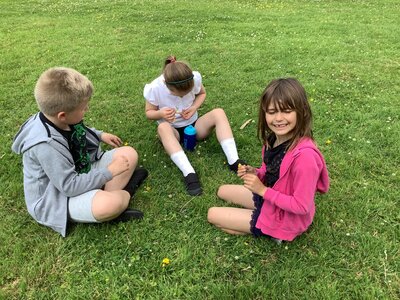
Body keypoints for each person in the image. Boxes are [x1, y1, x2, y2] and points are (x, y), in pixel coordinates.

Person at [12, 67, 148, 237]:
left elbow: (76, 128)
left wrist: (99, 135)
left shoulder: (55, 117)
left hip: (81, 169)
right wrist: (109, 172)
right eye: (84, 108)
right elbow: (69, 186)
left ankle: (103, 198)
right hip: (58, 197)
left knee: (129, 154)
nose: (87, 109)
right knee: (108, 205)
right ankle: (125, 194)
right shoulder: (45, 145)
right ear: (62, 115)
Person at [207, 78, 329, 242]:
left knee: (212, 214)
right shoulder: (273, 140)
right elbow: (271, 172)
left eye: (286, 111)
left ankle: (270, 231)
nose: (278, 118)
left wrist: (263, 191)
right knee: (222, 190)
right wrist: (255, 173)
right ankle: (256, 223)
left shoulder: (305, 158)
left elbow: (302, 206)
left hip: (287, 217)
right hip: (271, 199)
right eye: (271, 112)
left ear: (302, 111)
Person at [144, 55, 245, 196]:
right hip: (172, 131)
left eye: (186, 94)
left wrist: (194, 107)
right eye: (178, 95)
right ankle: (189, 173)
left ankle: (234, 160)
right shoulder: (155, 88)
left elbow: (202, 93)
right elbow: (149, 113)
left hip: (194, 125)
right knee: (162, 128)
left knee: (218, 112)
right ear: (167, 86)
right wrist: (160, 114)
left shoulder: (194, 78)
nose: (182, 97)